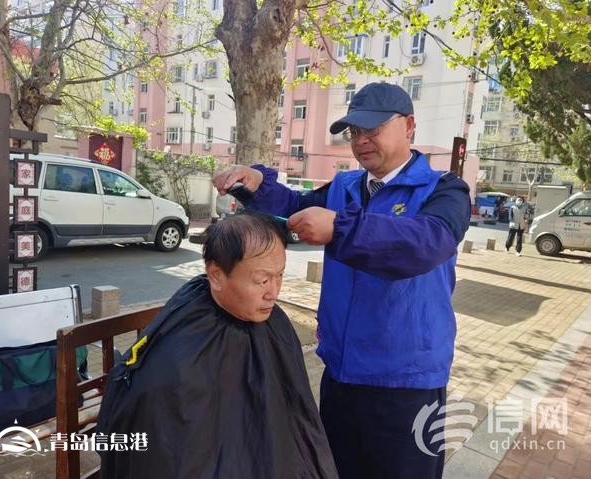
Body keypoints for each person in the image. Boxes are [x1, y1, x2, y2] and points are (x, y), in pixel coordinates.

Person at [213, 82, 471, 479]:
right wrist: (256, 185)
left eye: (373, 129)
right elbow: (295, 207)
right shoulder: (345, 187)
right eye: (354, 132)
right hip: (341, 373)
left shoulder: (444, 189)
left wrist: (341, 228)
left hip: (407, 382)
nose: (361, 141)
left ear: (409, 126)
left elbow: (427, 244)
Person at [96, 212, 338, 478]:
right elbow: (171, 451)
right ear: (216, 276)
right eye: (262, 280)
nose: (274, 292)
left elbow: (294, 417)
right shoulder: (182, 354)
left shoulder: (274, 322)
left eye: (280, 275)